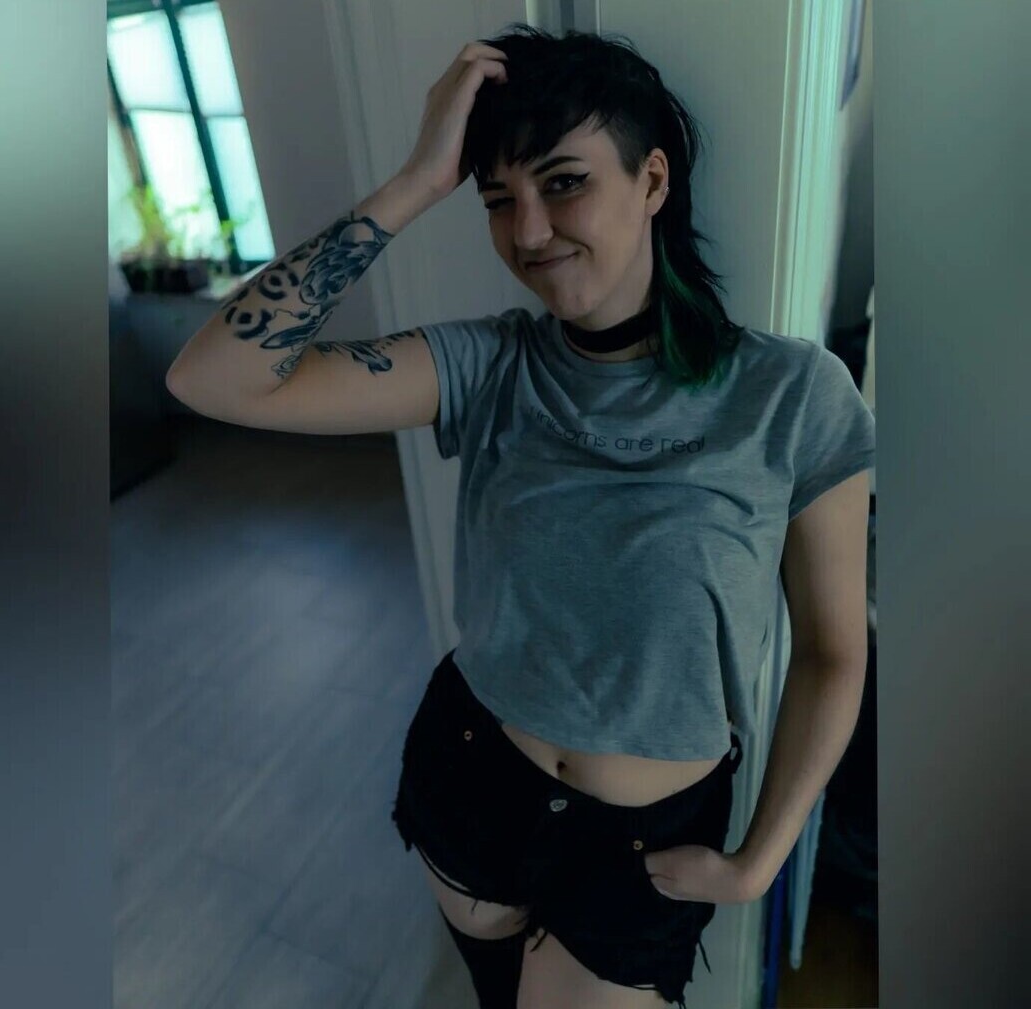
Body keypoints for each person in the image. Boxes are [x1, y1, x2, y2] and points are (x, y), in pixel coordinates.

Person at [166, 25, 875, 1009]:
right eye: (499, 199)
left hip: (641, 845)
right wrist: (415, 183)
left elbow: (834, 651)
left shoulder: (792, 394)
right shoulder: (491, 365)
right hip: (470, 781)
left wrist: (760, 861)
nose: (529, 231)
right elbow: (212, 377)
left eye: (564, 182)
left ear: (653, 180)